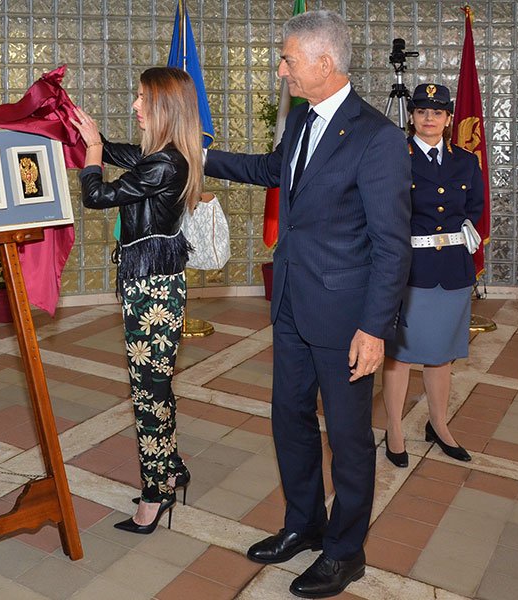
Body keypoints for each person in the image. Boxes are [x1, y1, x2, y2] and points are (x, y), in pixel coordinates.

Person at [204, 10, 412, 598]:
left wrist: (374, 330)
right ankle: (303, 524)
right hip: (293, 301)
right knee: (289, 418)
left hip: (345, 317)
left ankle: (346, 552)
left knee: (347, 439)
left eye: (289, 59)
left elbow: (392, 246)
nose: (281, 69)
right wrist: (201, 156)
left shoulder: (377, 136)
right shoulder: (300, 118)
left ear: (325, 62)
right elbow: (274, 171)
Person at [71, 67, 203, 535]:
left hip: (151, 292)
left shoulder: (165, 163)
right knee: (157, 386)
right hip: (153, 285)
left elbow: (97, 195)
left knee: (148, 393)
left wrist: (90, 153)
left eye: (141, 97)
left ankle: (156, 494)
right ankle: (171, 467)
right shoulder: (162, 156)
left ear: (163, 106)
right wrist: (91, 137)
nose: (134, 105)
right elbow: (123, 154)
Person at [381, 83, 484, 468]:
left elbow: (474, 207)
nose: (429, 118)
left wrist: (466, 230)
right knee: (400, 355)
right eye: (422, 111)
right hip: (409, 271)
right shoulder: (395, 157)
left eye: (437, 112)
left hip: (452, 271)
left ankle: (439, 425)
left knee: (442, 356)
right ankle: (393, 428)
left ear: (448, 118)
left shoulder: (465, 161)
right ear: (412, 117)